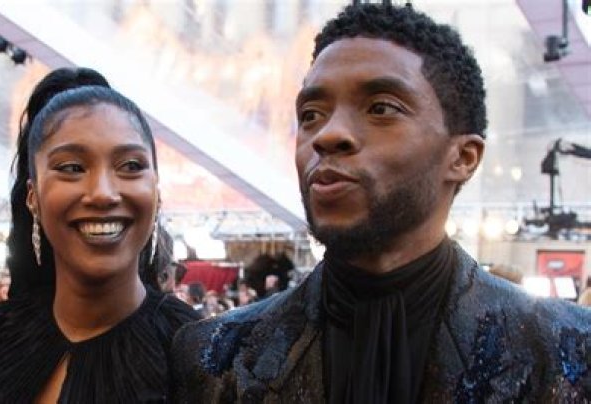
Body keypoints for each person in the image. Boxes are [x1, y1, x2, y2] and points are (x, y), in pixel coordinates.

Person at [171, 3, 591, 402]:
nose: (327, 135)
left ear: (463, 157)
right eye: (311, 114)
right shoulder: (214, 357)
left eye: (381, 108)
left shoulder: (568, 351)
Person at [0, 67, 200, 403]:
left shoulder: (203, 361)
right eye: (71, 168)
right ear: (32, 197)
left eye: (130, 166)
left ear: (156, 190)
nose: (103, 193)